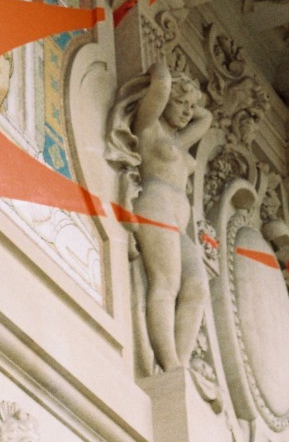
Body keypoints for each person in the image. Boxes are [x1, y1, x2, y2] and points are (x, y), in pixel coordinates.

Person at [107, 59, 213, 371]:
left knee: (197, 286)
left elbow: (206, 117)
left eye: (190, 106)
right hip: (156, 205)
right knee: (166, 283)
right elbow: (162, 82)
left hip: (178, 220)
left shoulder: (180, 140)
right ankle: (169, 363)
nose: (187, 111)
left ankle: (179, 365)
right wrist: (160, 75)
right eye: (180, 104)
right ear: (164, 101)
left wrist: (189, 97)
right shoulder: (148, 126)